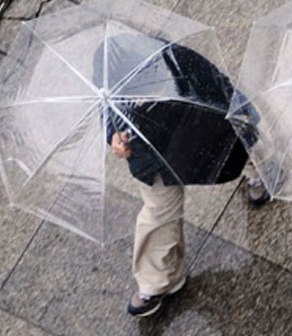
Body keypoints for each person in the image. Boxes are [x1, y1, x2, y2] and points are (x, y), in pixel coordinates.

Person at [95, 34, 267, 317]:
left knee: (234, 149)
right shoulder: (107, 65)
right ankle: (157, 281)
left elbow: (220, 96)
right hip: (150, 155)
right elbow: (107, 112)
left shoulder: (175, 60)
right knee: (158, 211)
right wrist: (113, 137)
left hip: (197, 126)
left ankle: (261, 171)